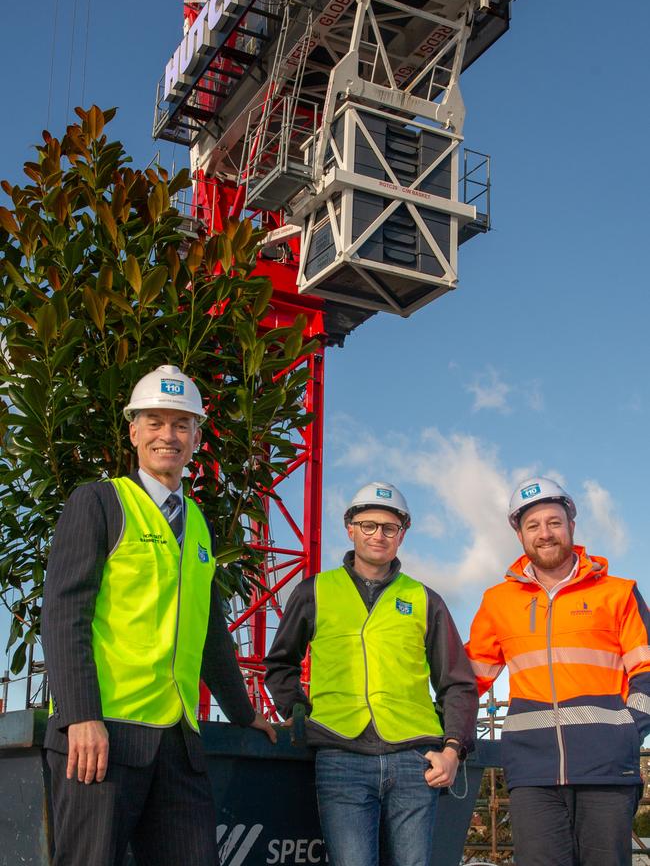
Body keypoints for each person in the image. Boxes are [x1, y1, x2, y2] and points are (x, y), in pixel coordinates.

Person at [42, 364, 276, 866]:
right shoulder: (100, 502)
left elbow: (211, 631)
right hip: (103, 736)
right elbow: (64, 613)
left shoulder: (198, 525)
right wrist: (80, 715)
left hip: (178, 743)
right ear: (133, 431)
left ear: (195, 437)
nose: (167, 435)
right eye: (155, 422)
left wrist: (243, 712)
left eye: (181, 424)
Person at [265, 480, 478, 866]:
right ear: (350, 529)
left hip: (415, 757)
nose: (378, 535)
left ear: (402, 535)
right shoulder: (315, 591)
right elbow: (281, 663)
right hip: (340, 755)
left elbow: (457, 683)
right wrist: (297, 712)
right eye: (368, 525)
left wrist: (453, 750)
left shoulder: (425, 599)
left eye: (389, 528)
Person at [466, 476, 650, 866]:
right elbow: (470, 676)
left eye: (554, 522)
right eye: (532, 525)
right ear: (519, 533)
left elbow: (647, 670)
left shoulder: (617, 593)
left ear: (571, 526)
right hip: (532, 771)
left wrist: (627, 731)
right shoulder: (498, 602)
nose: (544, 533)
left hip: (608, 767)